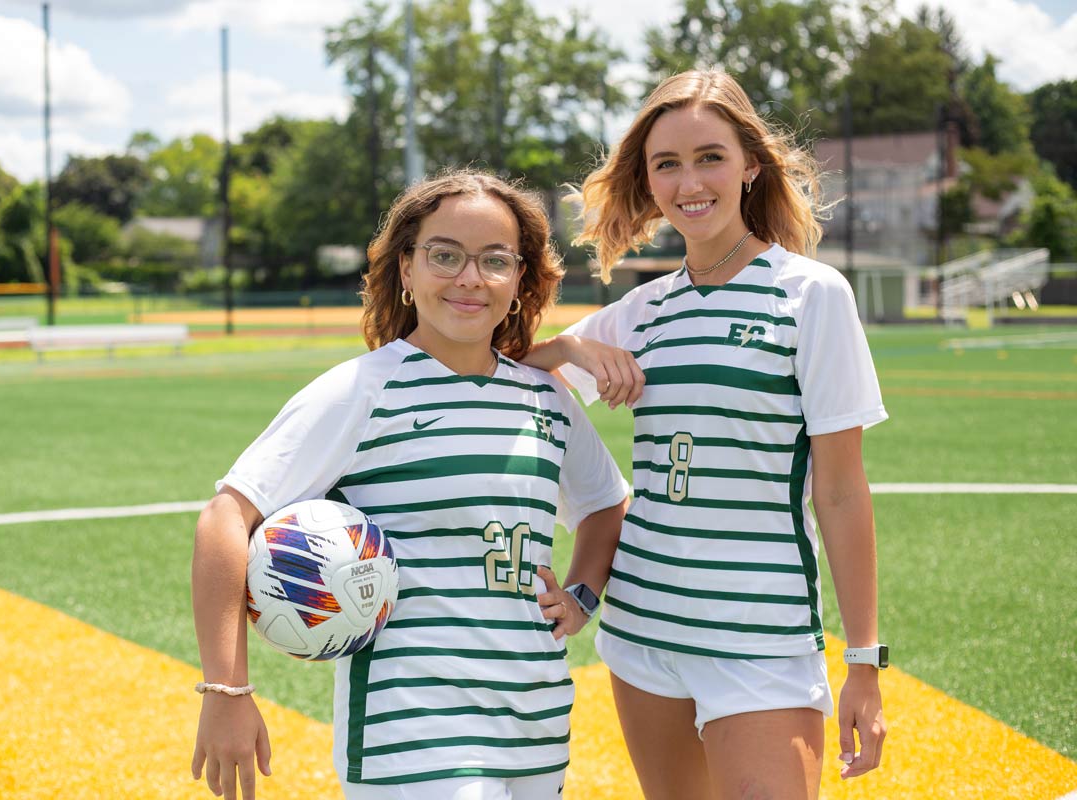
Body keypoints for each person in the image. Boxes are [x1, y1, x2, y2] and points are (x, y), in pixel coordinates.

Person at [190, 169, 630, 800]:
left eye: (495, 260)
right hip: (411, 735)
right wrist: (226, 692)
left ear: (521, 278)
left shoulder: (545, 398)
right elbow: (224, 520)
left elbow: (606, 505)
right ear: (405, 269)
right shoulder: (363, 390)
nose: (469, 278)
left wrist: (583, 593)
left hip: (536, 724)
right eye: (444, 256)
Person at [524, 70, 889, 799]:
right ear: (649, 180)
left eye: (710, 157)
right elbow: (505, 370)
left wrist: (865, 662)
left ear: (751, 165)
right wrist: (568, 350)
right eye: (667, 163)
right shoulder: (645, 309)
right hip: (641, 633)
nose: (690, 181)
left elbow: (842, 493)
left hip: (759, 639)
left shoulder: (811, 296)